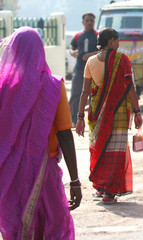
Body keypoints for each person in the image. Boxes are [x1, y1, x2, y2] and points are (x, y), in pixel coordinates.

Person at [0, 27, 81, 239]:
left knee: (18, 223)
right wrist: (74, 180)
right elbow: (64, 133)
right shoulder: (52, 86)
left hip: (10, 173)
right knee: (52, 223)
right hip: (43, 173)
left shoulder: (4, 88)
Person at [76, 27, 143, 203]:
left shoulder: (90, 61)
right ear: (112, 41)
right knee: (115, 150)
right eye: (118, 40)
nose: (119, 44)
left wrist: (80, 117)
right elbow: (129, 88)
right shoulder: (122, 59)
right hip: (118, 111)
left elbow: (85, 92)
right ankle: (110, 192)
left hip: (96, 111)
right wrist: (137, 111)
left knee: (99, 147)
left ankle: (100, 186)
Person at [69, 12, 99, 126]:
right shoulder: (78, 36)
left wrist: (90, 55)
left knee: (93, 95)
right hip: (79, 69)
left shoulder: (97, 35)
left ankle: (93, 119)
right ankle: (73, 120)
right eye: (87, 20)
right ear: (83, 22)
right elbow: (72, 48)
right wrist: (73, 53)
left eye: (91, 20)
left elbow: (101, 50)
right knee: (76, 94)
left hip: (93, 69)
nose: (89, 22)